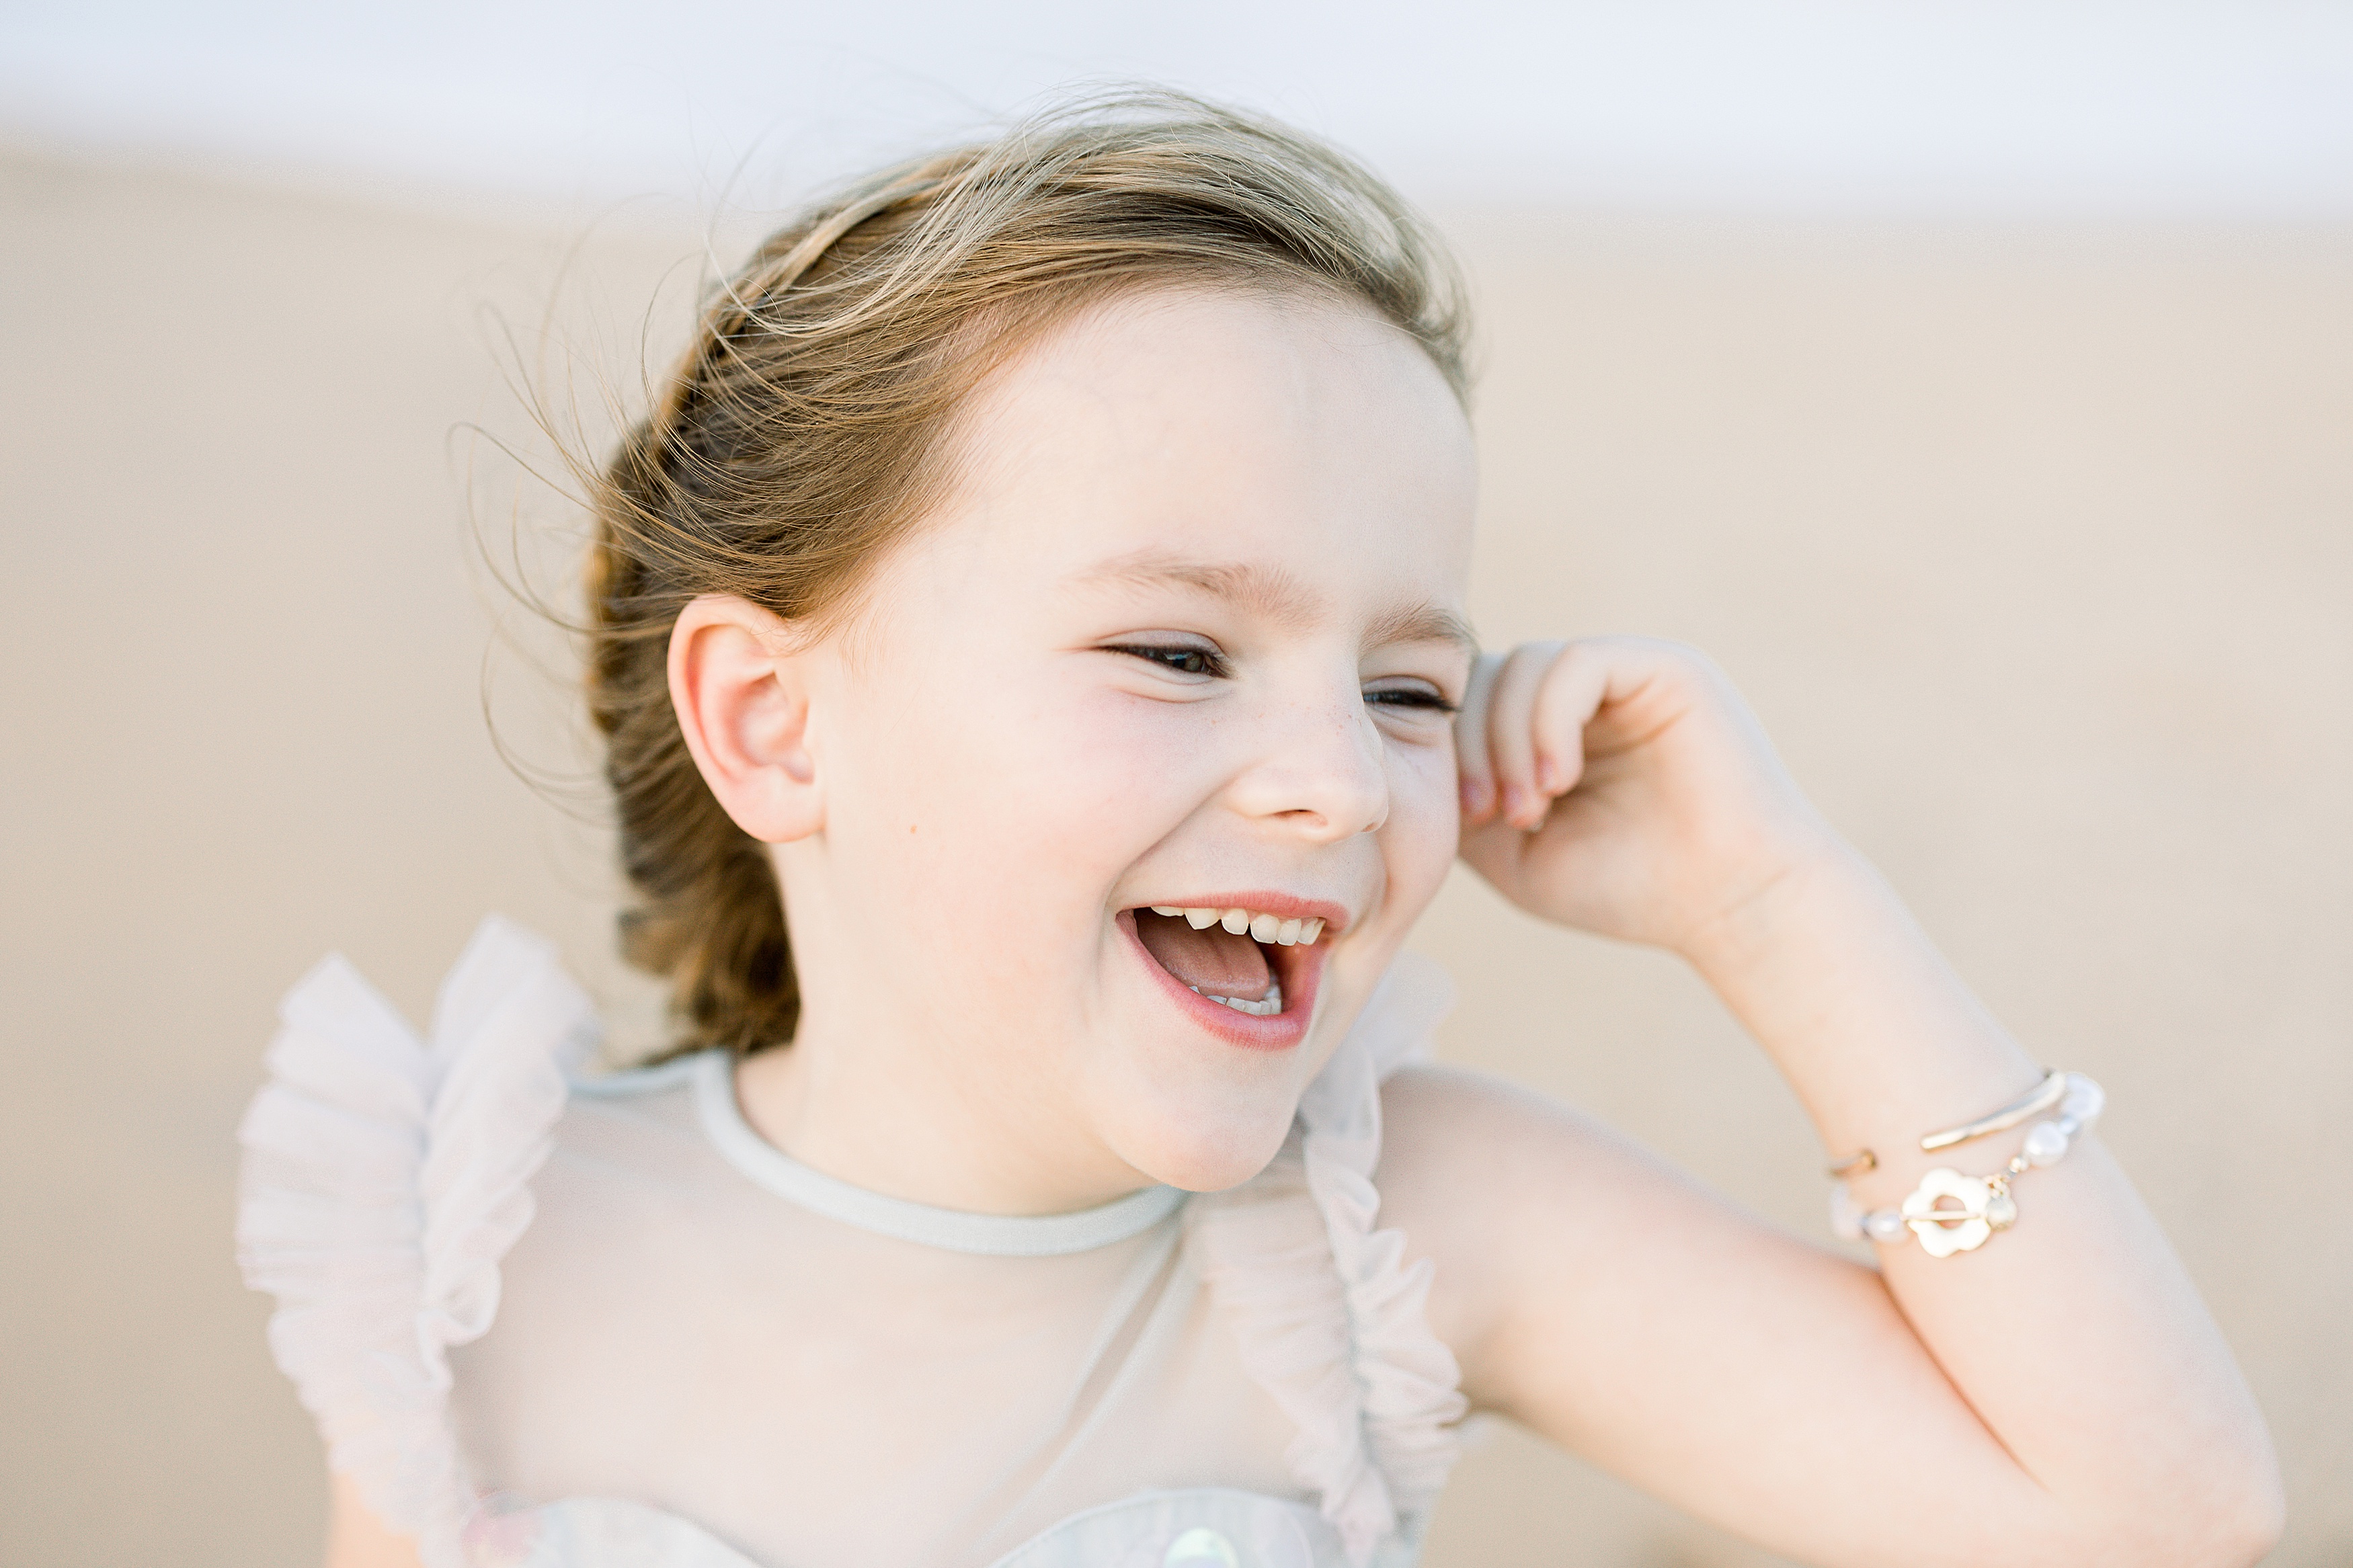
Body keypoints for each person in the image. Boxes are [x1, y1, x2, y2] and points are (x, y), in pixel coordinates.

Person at [237, 91, 2282, 1568]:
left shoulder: (1410, 1227)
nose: (1337, 778)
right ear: (772, 725)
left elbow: (2151, 1518)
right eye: (1177, 652)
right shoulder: (484, 1240)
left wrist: (1772, 902)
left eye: (1408, 687)